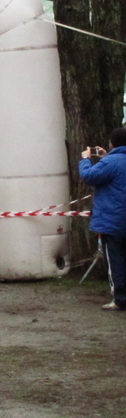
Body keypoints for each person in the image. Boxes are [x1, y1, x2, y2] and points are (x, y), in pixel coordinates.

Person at [79, 128, 126, 311]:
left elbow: (88, 176)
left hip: (113, 219)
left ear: (112, 143)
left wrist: (85, 159)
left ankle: (120, 298)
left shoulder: (110, 162)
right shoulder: (112, 160)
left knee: (115, 261)